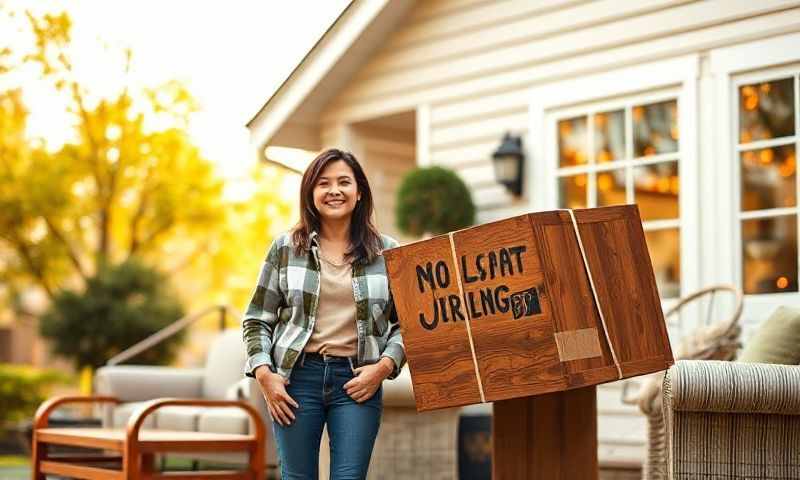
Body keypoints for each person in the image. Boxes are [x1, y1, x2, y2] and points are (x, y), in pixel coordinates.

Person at [241, 148, 406, 480]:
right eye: (323, 183)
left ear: (359, 192)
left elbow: (409, 325)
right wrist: (264, 374)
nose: (334, 190)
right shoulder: (285, 248)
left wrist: (384, 368)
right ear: (310, 193)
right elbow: (257, 319)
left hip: (358, 381)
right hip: (296, 380)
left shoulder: (389, 252)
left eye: (344, 182)